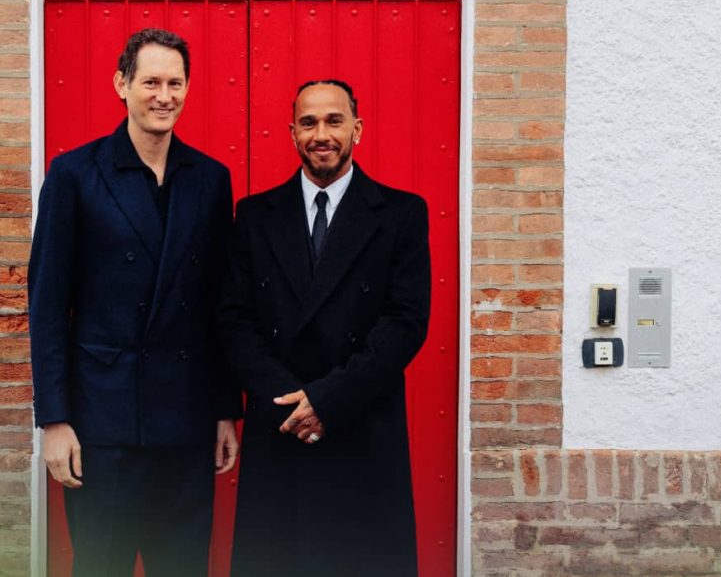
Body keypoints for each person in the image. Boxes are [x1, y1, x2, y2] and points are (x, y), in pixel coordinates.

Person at [28, 28, 241, 577]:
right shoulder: (75, 174)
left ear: (188, 89)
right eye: (151, 81)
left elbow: (220, 304)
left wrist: (224, 410)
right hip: (104, 423)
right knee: (101, 566)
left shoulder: (211, 180)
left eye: (175, 83)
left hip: (186, 423)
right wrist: (55, 419)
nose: (163, 95)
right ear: (122, 84)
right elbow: (48, 302)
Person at [218, 79, 431, 577]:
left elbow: (405, 322)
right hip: (283, 427)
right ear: (291, 132)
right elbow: (233, 320)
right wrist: (292, 401)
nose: (322, 134)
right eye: (309, 122)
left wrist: (327, 401)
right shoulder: (254, 216)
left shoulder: (400, 214)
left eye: (334, 121)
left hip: (362, 428)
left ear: (357, 128)